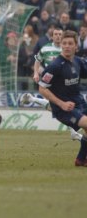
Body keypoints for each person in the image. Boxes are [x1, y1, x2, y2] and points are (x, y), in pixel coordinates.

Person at [21, 26, 82, 141]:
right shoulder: (45, 49)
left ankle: (32, 99)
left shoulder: (66, 49)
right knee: (63, 105)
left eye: (60, 34)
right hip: (53, 82)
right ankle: (74, 131)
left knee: (58, 106)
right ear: (52, 36)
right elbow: (37, 60)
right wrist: (36, 73)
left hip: (67, 81)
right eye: (56, 34)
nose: (58, 36)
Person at [38, 30, 87, 167]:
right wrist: (62, 104)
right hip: (64, 109)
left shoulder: (78, 62)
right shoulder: (54, 66)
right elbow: (42, 88)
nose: (67, 46)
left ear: (76, 46)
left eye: (70, 43)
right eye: (64, 43)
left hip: (79, 103)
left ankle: (81, 160)